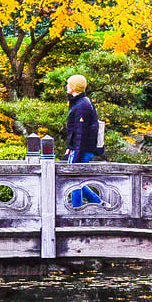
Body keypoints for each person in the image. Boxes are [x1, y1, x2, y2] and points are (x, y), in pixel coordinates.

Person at [65, 74, 102, 207]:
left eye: (69, 84)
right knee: (76, 179)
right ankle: (99, 203)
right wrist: (70, 146)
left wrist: (76, 152)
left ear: (74, 87)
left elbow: (81, 131)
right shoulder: (79, 102)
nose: (66, 86)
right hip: (78, 147)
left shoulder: (82, 104)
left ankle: (77, 209)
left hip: (81, 148)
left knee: (74, 179)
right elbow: (74, 130)